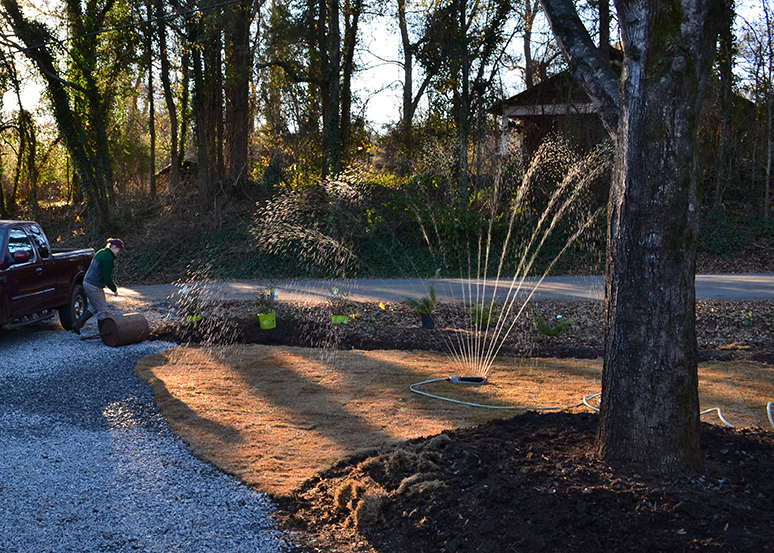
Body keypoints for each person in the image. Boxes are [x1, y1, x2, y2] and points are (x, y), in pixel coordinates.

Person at [72, 238, 125, 335]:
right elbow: (106, 277)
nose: (119, 253)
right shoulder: (108, 258)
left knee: (93, 307)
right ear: (114, 247)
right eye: (119, 250)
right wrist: (114, 289)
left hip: (87, 282)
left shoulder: (102, 252)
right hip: (94, 285)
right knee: (102, 309)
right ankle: (103, 334)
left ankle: (77, 324)